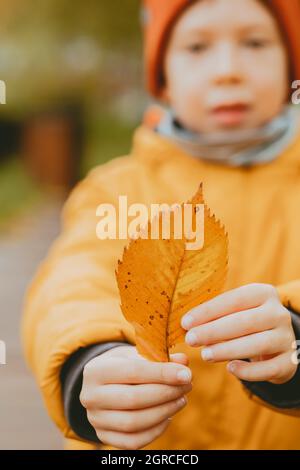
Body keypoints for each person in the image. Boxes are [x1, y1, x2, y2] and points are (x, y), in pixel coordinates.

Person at [22, 0, 300, 450]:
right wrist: (88, 359)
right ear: (163, 77)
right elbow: (69, 284)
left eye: (255, 42)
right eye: (196, 47)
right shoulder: (116, 190)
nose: (228, 70)